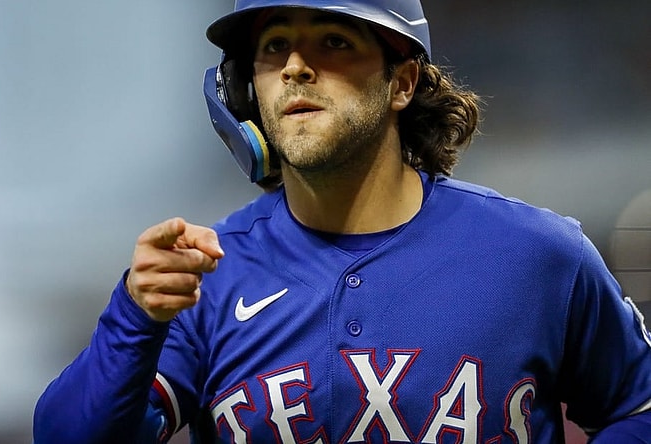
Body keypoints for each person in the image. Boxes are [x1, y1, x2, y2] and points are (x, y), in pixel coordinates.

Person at [33, 0, 651, 442]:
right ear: (246, 92)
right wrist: (135, 318)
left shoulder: (537, 255)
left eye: (334, 41)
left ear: (402, 82)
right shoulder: (206, 275)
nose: (296, 67)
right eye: (275, 46)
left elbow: (638, 408)